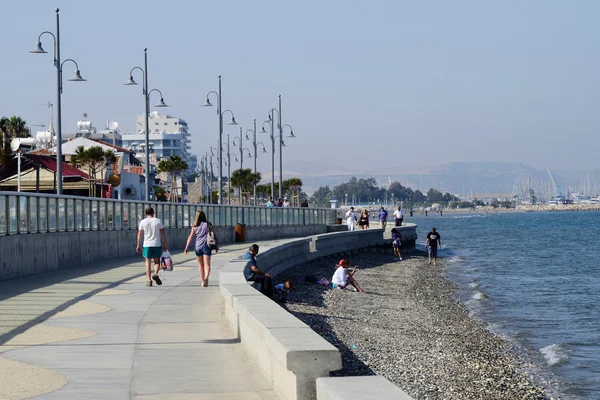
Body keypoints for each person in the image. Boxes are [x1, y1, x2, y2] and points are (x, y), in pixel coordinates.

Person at [184, 210, 219, 287]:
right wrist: (216, 246)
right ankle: (206, 277)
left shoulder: (194, 226)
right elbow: (213, 235)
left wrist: (186, 247)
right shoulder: (208, 224)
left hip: (198, 247)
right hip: (206, 246)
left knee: (200, 265)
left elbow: (190, 237)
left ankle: (203, 281)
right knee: (207, 265)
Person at [136, 207, 167, 287]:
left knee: (148, 262)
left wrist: (138, 245)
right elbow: (163, 232)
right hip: (156, 244)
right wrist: (165, 244)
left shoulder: (143, 222)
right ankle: (156, 274)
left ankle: (149, 280)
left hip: (147, 244)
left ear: (146, 213)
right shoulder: (158, 221)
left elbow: (139, 234)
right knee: (157, 261)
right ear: (153, 212)